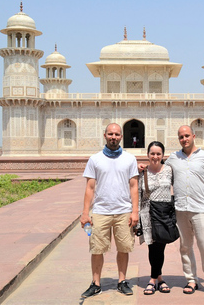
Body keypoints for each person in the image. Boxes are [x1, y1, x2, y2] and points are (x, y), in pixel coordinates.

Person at [80, 123, 139, 298]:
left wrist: (134, 211)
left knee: (124, 248)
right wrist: (85, 213)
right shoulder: (95, 159)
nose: (114, 137)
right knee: (96, 248)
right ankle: (96, 283)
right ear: (104, 135)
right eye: (110, 134)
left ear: (121, 137)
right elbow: (90, 188)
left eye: (117, 134)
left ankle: (122, 281)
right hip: (100, 211)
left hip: (123, 211)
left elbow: (134, 186)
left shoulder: (129, 159)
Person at [167, 125, 204, 298]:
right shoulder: (173, 158)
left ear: (194, 136)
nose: (184, 139)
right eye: (181, 137)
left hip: (200, 209)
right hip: (181, 208)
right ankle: (191, 279)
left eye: (187, 136)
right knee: (185, 246)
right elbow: (161, 172)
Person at [137, 141, 173, 295]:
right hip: (148, 214)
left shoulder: (170, 170)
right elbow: (137, 194)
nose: (155, 156)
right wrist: (135, 216)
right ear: (147, 155)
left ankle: (155, 278)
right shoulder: (142, 172)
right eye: (152, 153)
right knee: (153, 247)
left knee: (160, 247)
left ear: (163, 155)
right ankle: (157, 279)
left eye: (158, 154)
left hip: (164, 213)